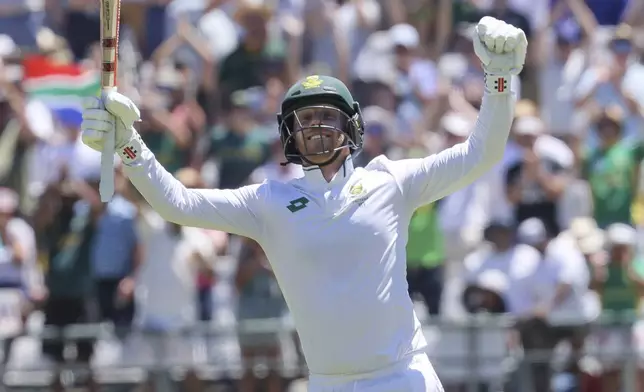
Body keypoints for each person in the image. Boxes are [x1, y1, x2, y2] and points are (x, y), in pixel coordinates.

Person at [80, 16, 526, 392]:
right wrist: (128, 143)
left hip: (403, 376)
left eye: (327, 116)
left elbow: (480, 153)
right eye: (305, 118)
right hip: (328, 382)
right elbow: (176, 203)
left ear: (352, 125)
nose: (317, 128)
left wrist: (499, 80)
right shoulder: (268, 200)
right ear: (287, 134)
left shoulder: (391, 180)